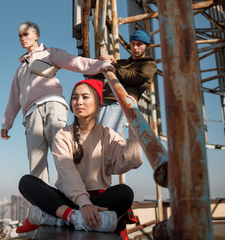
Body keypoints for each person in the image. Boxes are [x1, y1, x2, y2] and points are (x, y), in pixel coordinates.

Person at [17, 79, 143, 234]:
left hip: (98, 200)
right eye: (75, 97)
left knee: (125, 192)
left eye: (85, 97)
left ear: (97, 103)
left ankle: (61, 217)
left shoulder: (108, 134)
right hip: (69, 198)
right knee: (27, 182)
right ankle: (76, 217)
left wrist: (133, 125)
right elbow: (67, 172)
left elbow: (130, 162)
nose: (78, 102)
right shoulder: (63, 135)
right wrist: (84, 204)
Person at [1, 21, 115, 184]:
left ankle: (73, 192)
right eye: (20, 36)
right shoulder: (20, 69)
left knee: (62, 153)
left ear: (36, 36)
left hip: (52, 104)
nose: (22, 38)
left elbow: (76, 62)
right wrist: (6, 124)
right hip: (31, 113)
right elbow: (14, 98)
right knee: (36, 161)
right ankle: (43, 202)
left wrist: (102, 65)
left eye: (26, 34)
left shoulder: (49, 53)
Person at [98, 29, 157, 135]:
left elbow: (136, 77)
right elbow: (94, 72)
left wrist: (112, 66)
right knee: (92, 136)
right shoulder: (123, 63)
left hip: (119, 102)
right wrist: (101, 59)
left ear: (147, 46)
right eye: (133, 43)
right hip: (102, 100)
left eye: (139, 44)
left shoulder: (149, 64)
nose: (135, 47)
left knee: (106, 137)